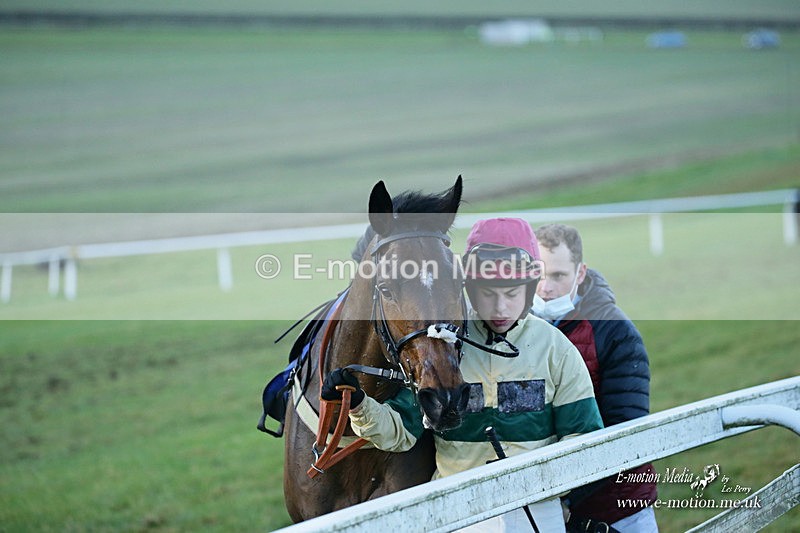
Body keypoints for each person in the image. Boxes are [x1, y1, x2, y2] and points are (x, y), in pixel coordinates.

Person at [325, 217, 603, 532]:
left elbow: (584, 440)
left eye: (511, 293)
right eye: (487, 293)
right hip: (457, 511)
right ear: (466, 288)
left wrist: (537, 484)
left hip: (537, 510)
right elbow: (400, 433)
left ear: (530, 287)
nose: (499, 308)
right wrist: (361, 405)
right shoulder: (444, 350)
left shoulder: (557, 349)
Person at [532, 223, 658, 533]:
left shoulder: (615, 332)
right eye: (537, 274)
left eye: (558, 276)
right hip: (544, 510)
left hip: (617, 511)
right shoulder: (515, 330)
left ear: (580, 273)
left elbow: (624, 433)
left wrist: (563, 499)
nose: (545, 288)